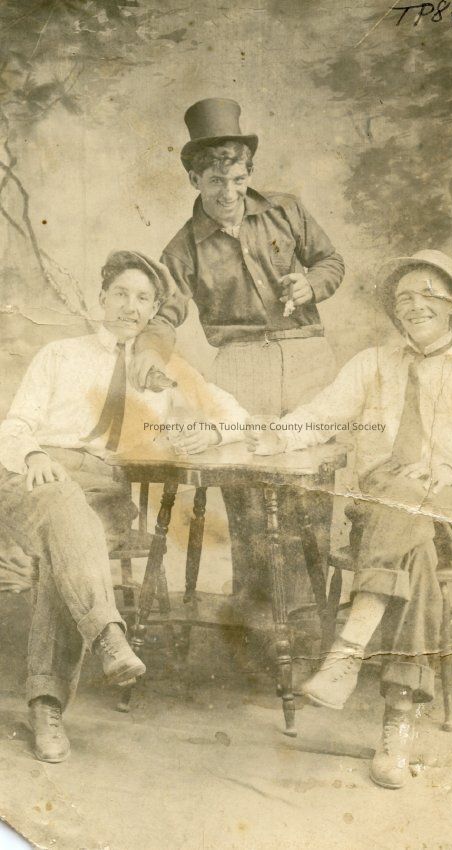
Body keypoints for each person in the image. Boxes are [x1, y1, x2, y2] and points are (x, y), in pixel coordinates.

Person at [247, 249, 452, 789]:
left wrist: (449, 473)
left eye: (429, 294)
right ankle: (399, 721)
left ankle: (348, 651)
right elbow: (321, 415)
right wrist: (269, 435)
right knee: (414, 550)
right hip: (386, 518)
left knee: (413, 500)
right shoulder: (372, 364)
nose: (415, 305)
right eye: (404, 297)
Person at [0, 250, 248, 763]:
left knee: (68, 545)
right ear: (102, 299)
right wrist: (34, 455)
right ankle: (106, 639)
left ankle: (48, 705)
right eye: (120, 294)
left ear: (153, 310)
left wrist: (212, 432)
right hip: (35, 479)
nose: (129, 307)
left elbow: (237, 415)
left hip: (105, 491)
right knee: (63, 511)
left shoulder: (162, 368)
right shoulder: (59, 354)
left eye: (142, 299)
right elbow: (15, 425)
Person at [159, 97, 345, 626]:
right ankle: (258, 611)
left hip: (307, 359)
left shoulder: (287, 210)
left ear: (249, 174)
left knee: (310, 485)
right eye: (215, 181)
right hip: (240, 367)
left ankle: (310, 614)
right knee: (246, 489)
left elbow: (331, 262)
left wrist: (311, 285)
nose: (229, 193)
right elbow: (167, 311)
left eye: (238, 179)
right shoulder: (182, 248)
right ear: (194, 180)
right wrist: (151, 350)